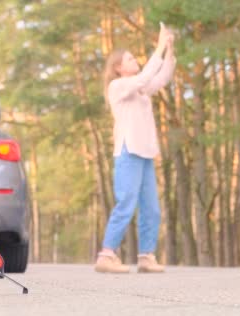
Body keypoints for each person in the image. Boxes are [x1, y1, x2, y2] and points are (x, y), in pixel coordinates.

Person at [95, 23, 176, 273]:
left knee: (151, 207)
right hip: (128, 153)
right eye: (129, 58)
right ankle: (107, 255)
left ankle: (146, 256)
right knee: (126, 203)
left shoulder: (141, 90)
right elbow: (144, 76)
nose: (135, 59)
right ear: (119, 68)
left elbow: (161, 77)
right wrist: (159, 45)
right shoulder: (118, 87)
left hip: (145, 153)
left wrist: (169, 50)